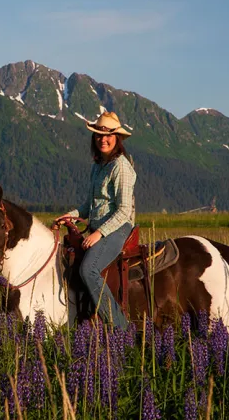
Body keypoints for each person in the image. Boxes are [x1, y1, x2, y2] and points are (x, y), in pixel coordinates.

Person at [55, 111, 136, 328]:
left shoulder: (121, 167)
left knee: (88, 269)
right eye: (98, 135)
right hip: (98, 226)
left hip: (118, 228)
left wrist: (99, 233)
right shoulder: (98, 166)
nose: (103, 139)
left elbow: (124, 210)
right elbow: (89, 207)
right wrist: (70, 216)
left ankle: (121, 328)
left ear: (116, 138)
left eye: (108, 135)